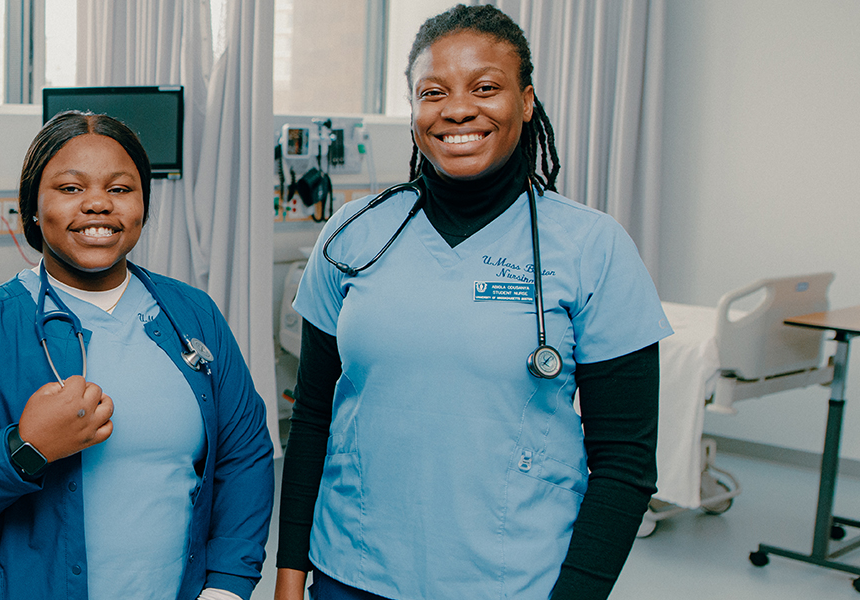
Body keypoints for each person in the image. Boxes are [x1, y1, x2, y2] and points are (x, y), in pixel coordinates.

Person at [274, 5, 671, 600]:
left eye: (486, 87)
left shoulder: (592, 246)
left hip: (515, 580)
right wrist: (289, 573)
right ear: (413, 109)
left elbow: (625, 463)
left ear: (527, 100)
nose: (458, 109)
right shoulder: (352, 236)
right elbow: (311, 419)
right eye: (433, 91)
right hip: (350, 568)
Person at [0, 112, 275, 600]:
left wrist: (226, 586)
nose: (99, 204)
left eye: (121, 189)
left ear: (143, 204)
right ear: (33, 208)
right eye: (71, 188)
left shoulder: (192, 314)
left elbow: (244, 454)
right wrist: (25, 448)